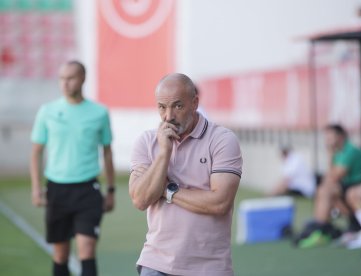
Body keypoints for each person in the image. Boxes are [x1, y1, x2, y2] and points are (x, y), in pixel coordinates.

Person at [129, 73, 243, 276]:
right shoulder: (146, 142)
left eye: (177, 106)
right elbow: (140, 199)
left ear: (195, 103)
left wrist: (166, 189)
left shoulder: (222, 140)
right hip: (156, 264)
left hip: (210, 267)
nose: (168, 116)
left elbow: (219, 203)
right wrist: (164, 152)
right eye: (162, 107)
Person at [30, 60, 115, 276]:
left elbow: (106, 152)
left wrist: (111, 190)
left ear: (83, 78)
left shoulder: (99, 112)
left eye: (70, 78)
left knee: (87, 250)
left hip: (87, 190)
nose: (65, 83)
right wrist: (36, 188)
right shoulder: (47, 111)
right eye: (62, 78)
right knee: (60, 254)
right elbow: (36, 152)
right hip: (57, 190)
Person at [295, 124, 361, 248]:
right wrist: (330, 156)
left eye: (330, 136)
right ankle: (321, 227)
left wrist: (329, 155)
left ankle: (320, 229)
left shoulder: (350, 150)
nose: (326, 139)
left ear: (340, 136)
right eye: (325, 136)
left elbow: (334, 177)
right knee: (325, 190)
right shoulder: (337, 152)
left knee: (328, 190)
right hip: (351, 187)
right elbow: (329, 179)